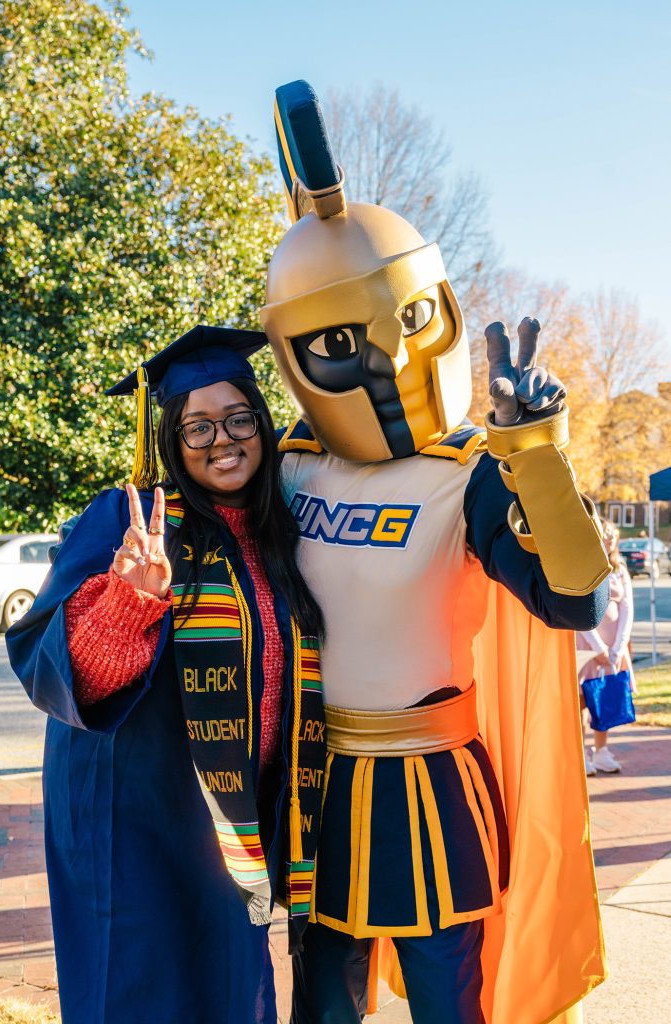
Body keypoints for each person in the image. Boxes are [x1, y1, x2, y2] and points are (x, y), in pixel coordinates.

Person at [259, 80, 611, 1024]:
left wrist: (535, 453)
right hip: (317, 781)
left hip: (430, 783)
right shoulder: (285, 467)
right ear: (293, 354)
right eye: (340, 343)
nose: (382, 364)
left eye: (406, 323)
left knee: (448, 1007)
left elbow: (573, 597)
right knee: (322, 1010)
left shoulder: (467, 472)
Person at [6, 326, 326, 1024]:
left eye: (238, 417)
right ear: (170, 442)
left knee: (235, 989)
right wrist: (132, 600)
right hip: (135, 813)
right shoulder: (129, 520)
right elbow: (51, 665)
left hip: (232, 817)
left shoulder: (278, 530)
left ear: (262, 424)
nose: (222, 439)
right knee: (141, 988)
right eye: (197, 426)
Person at [578, 518, 635, 774]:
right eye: (605, 532)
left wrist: (619, 647)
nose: (610, 537)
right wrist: (598, 647)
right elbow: (578, 612)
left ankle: (602, 752)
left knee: (606, 696)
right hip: (587, 647)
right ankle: (581, 754)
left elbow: (627, 609)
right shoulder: (582, 566)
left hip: (614, 648)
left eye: (613, 533)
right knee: (580, 701)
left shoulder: (620, 569)